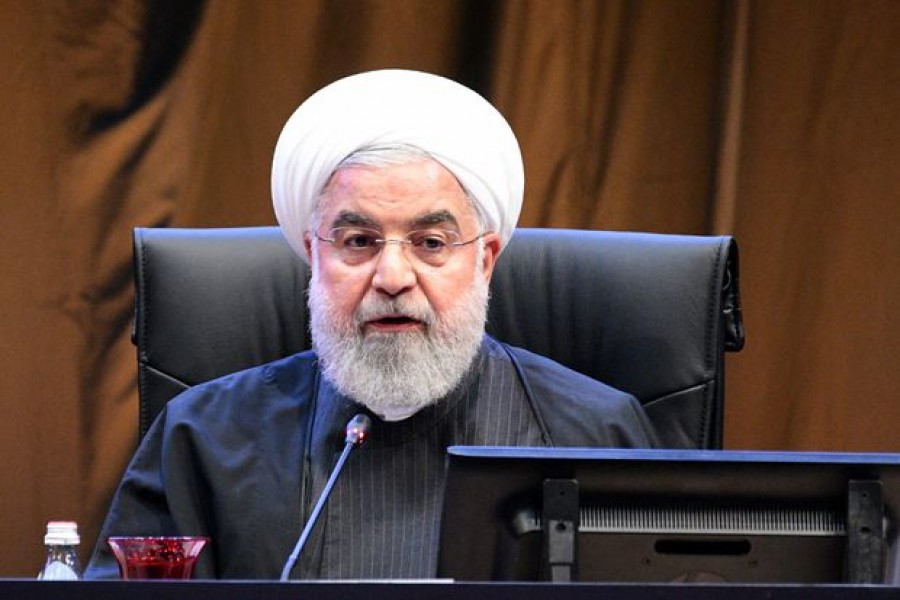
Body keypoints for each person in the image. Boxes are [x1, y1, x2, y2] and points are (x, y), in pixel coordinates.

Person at [85, 69, 659, 580]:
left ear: (485, 260)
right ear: (314, 256)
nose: (392, 278)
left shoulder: (594, 435)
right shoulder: (205, 438)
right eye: (359, 241)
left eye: (430, 243)